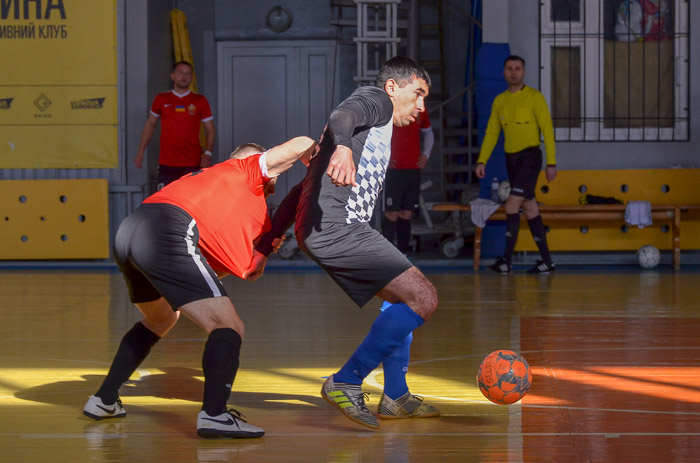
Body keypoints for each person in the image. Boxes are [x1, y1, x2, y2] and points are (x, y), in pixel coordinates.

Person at [249, 57, 440, 431]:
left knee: (400, 298)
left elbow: (301, 192)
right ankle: (347, 380)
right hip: (339, 227)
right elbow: (344, 112)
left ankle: (396, 396)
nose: (421, 107)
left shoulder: (363, 131)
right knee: (424, 298)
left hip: (326, 228)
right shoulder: (373, 103)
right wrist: (343, 148)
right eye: (417, 94)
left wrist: (266, 243)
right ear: (392, 88)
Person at [82, 136, 316, 439]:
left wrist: (262, 255)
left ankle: (103, 399)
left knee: (162, 318)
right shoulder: (246, 170)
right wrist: (320, 162)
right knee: (228, 326)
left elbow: (222, 270)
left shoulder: (221, 192)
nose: (277, 176)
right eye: (274, 168)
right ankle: (215, 415)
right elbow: (302, 143)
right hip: (168, 230)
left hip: (131, 231)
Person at [475, 55, 557, 275]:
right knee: (529, 207)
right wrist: (482, 160)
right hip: (511, 159)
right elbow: (492, 132)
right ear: (504, 72)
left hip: (530, 158)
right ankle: (547, 261)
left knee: (512, 205)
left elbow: (547, 131)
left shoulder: (534, 97)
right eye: (509, 69)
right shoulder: (500, 101)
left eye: (517, 69)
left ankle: (506, 261)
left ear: (524, 72)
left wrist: (551, 162)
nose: (513, 72)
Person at [135, 61, 216, 190]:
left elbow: (210, 130)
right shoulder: (161, 99)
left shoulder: (200, 101)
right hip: (167, 163)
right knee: (166, 201)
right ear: (173, 76)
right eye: (180, 73)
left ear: (191, 78)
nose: (184, 76)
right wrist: (140, 152)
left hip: (192, 163)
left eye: (188, 74)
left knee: (190, 199)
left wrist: (207, 154)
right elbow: (150, 125)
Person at [382, 111, 434, 253]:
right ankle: (386, 255)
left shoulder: (421, 110)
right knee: (391, 213)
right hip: (394, 170)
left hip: (413, 169)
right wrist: (383, 156)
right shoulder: (390, 108)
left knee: (407, 213)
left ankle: (403, 253)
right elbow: (374, 134)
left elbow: (429, 132)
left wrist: (426, 154)